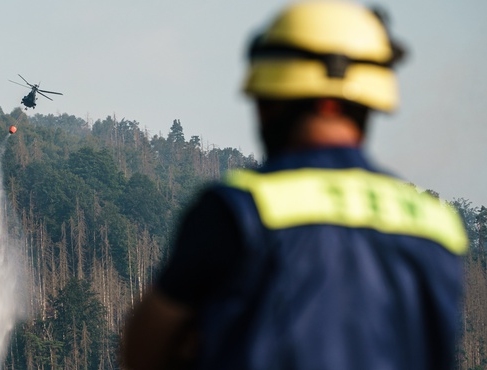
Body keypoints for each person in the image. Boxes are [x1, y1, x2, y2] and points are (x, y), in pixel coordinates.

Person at [121, 1, 468, 369]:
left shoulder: (238, 212)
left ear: (268, 102)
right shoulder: (437, 228)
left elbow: (143, 352)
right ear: (372, 102)